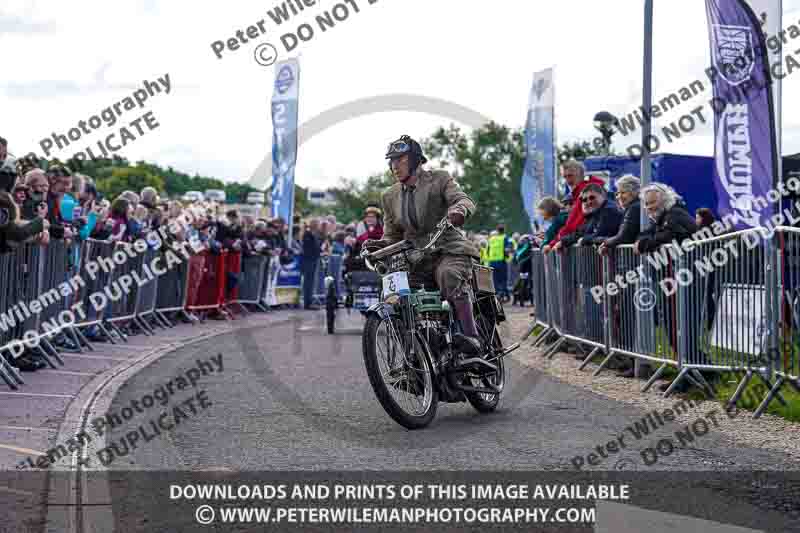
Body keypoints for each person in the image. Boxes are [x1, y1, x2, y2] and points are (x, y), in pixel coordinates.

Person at [365, 134, 483, 356]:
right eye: (391, 161)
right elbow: (392, 236)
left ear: (416, 161)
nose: (394, 166)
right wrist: (378, 246)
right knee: (393, 293)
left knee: (448, 275)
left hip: (448, 249)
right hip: (416, 260)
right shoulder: (389, 196)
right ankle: (414, 355)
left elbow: (463, 200)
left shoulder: (439, 179)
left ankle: (471, 338)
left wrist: (459, 210)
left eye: (400, 160)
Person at [634, 184, 703, 392]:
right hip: (674, 279)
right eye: (646, 204)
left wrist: (644, 244)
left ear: (664, 200)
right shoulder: (662, 218)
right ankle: (697, 369)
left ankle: (691, 374)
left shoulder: (675, 214)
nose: (648, 208)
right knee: (673, 326)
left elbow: (667, 236)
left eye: (652, 203)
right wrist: (642, 241)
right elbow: (646, 234)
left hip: (686, 278)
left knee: (680, 326)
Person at [548, 160, 605, 248]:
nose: (567, 180)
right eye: (565, 177)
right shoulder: (583, 191)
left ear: (580, 174)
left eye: (570, 176)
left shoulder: (584, 193)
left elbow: (572, 224)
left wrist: (552, 244)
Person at [555, 184, 622, 249]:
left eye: (592, 197)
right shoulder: (594, 213)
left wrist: (584, 240)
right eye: (584, 200)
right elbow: (580, 233)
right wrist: (563, 241)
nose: (588, 202)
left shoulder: (609, 210)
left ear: (602, 196)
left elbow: (601, 234)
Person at [487, 224, 513, 302]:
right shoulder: (505, 238)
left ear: (497, 230)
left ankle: (497, 295)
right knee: (503, 279)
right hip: (501, 262)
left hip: (492, 262)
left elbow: (488, 250)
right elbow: (507, 250)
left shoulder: (491, 239)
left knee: (495, 280)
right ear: (504, 230)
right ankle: (504, 295)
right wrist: (507, 256)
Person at [302, 218, 322, 310]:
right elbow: (308, 248)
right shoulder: (308, 234)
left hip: (314, 259)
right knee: (308, 282)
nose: (319, 226)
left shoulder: (315, 234)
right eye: (317, 224)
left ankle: (310, 300)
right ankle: (307, 302)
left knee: (312, 281)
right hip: (309, 260)